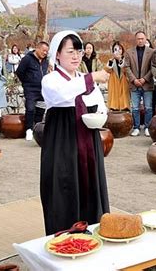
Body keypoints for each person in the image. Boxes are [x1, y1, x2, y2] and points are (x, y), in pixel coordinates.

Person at [40, 30, 110, 235]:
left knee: (91, 180)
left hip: (88, 134)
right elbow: (63, 94)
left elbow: (98, 102)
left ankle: (93, 230)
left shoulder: (82, 76)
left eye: (78, 52)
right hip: (63, 137)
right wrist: (91, 78)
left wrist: (101, 114)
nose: (76, 56)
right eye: (70, 51)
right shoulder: (51, 79)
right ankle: (64, 234)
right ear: (57, 54)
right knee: (64, 182)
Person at [15, 41, 50, 140]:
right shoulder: (27, 59)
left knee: (40, 110)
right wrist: (26, 82)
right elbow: (19, 72)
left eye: (47, 51)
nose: (45, 53)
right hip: (30, 88)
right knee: (30, 109)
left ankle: (37, 129)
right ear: (37, 48)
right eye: (43, 50)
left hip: (42, 89)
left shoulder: (45, 61)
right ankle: (29, 129)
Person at [124, 31, 155, 136]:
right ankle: (136, 127)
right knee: (135, 108)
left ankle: (147, 127)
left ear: (146, 39)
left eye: (142, 38)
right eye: (138, 39)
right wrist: (134, 79)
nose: (140, 40)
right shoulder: (129, 52)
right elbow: (127, 67)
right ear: (135, 39)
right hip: (134, 84)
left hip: (147, 84)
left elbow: (153, 68)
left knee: (148, 107)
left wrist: (144, 79)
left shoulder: (151, 52)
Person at [105, 41, 130, 111]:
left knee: (124, 100)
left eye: (120, 49)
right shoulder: (111, 60)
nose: (118, 51)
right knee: (114, 101)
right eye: (115, 49)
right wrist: (112, 59)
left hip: (123, 82)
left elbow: (126, 70)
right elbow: (107, 70)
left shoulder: (126, 59)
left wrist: (120, 60)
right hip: (114, 82)